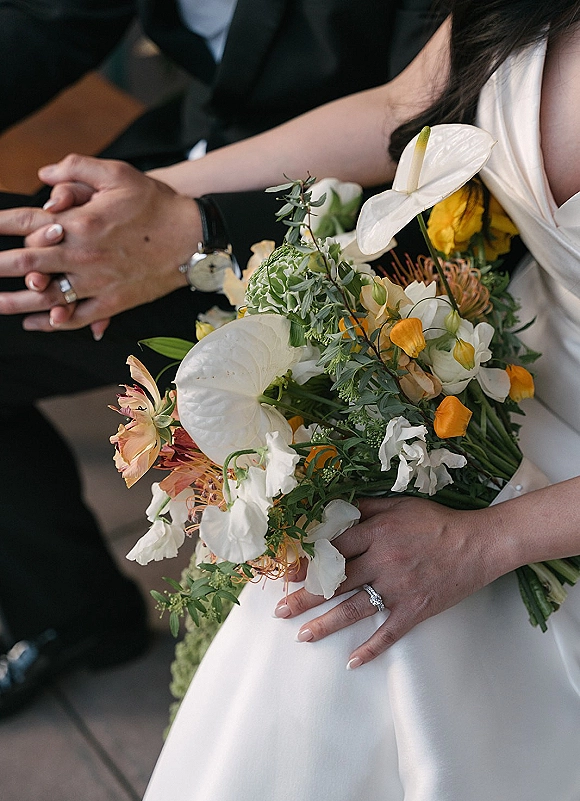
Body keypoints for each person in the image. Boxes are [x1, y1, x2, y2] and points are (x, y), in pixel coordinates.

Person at [3, 1, 580, 801]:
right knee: (309, 609)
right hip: (508, 367)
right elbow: (397, 110)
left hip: (543, 482)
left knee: (355, 653)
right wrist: (162, 206)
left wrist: (486, 543)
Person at [0, 0, 442, 717]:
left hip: (345, 236)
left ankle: (78, 618)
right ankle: (75, 613)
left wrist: (185, 226)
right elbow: (53, 19)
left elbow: (421, 118)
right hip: (199, 146)